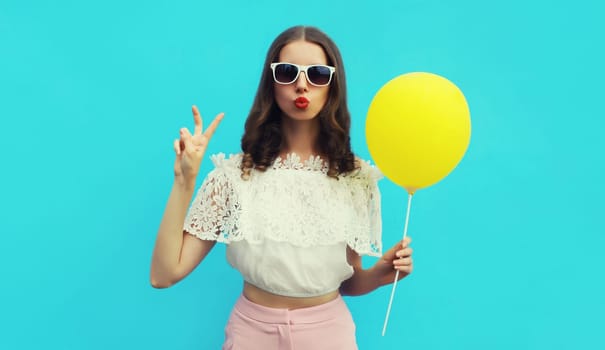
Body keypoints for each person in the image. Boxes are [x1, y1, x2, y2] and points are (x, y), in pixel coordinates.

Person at [150, 25, 414, 350]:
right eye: (287, 72)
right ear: (271, 84)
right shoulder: (234, 176)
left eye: (317, 74)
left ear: (333, 85)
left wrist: (380, 274)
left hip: (329, 335)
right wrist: (184, 179)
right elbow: (163, 275)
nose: (302, 84)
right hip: (251, 334)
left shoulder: (355, 178)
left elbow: (349, 280)